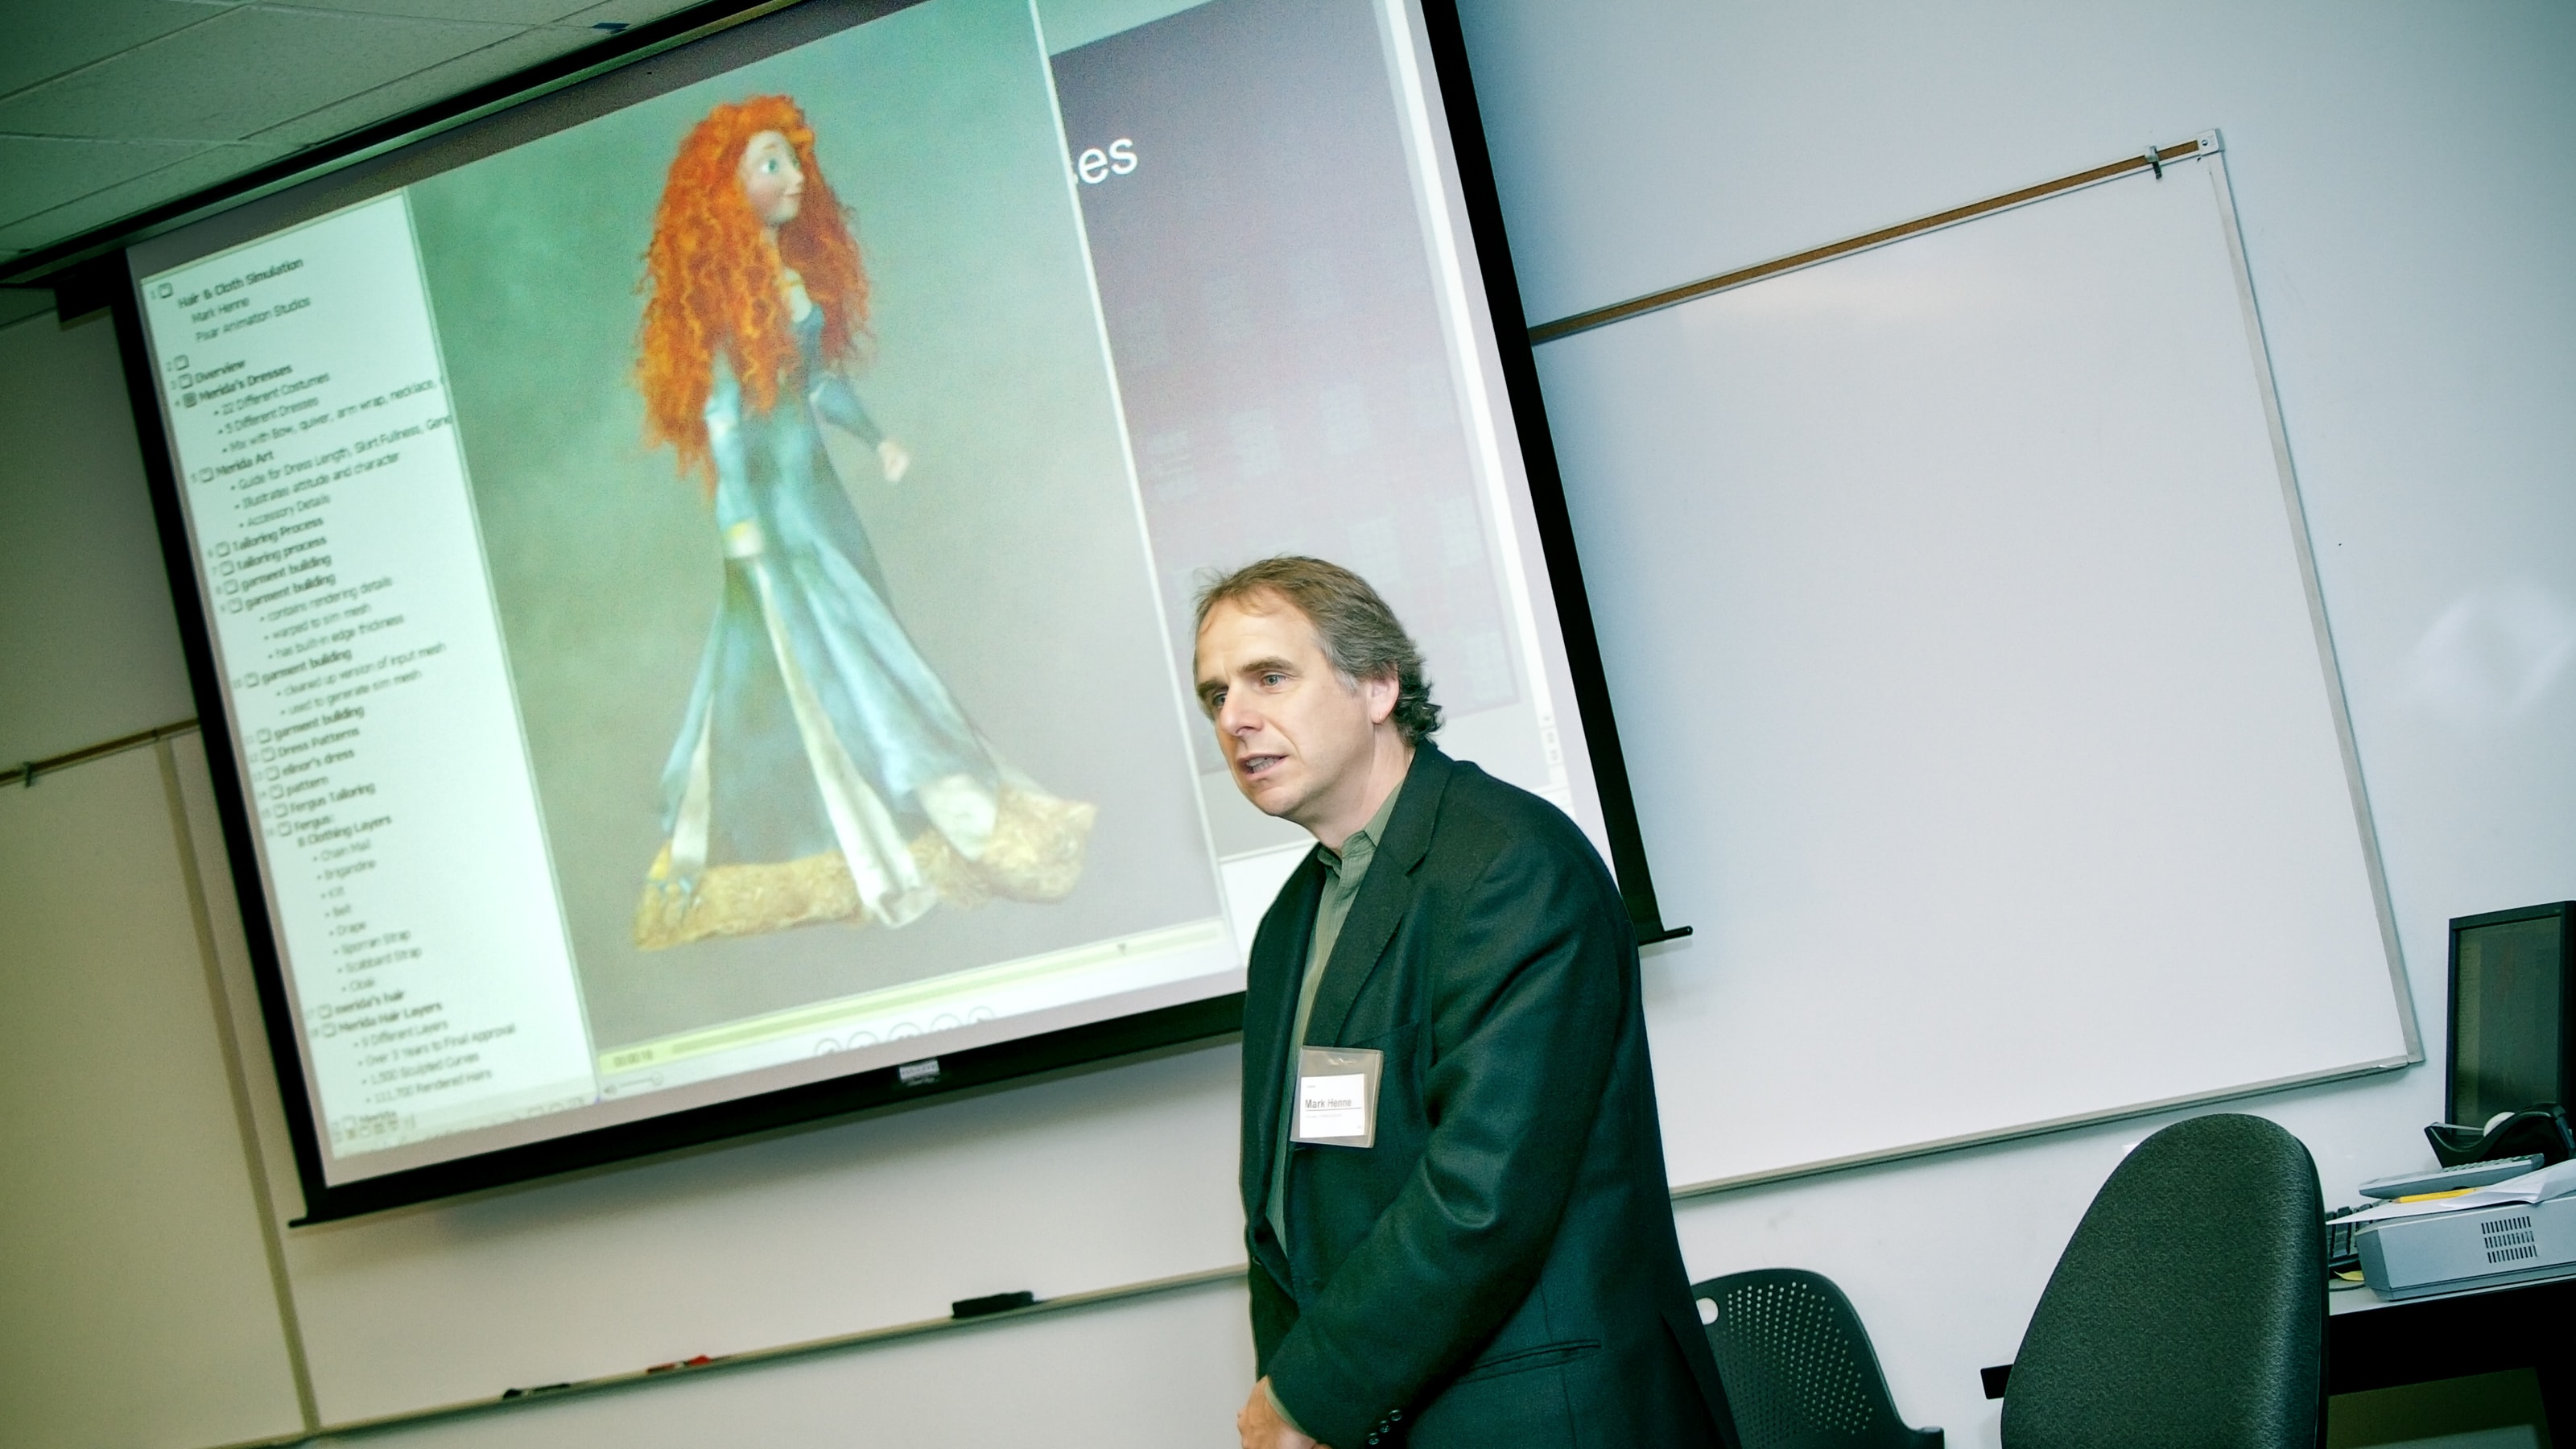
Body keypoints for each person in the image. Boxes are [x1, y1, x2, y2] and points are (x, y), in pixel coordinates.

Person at [1194, 557, 1734, 1449]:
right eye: (1215, 694)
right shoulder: (1293, 919)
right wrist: (1299, 1397)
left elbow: (1479, 1195)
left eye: (1270, 677)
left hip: (1540, 1415)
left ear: (1376, 685)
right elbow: (1302, 1197)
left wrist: (1307, 1393)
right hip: (1379, 1412)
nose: (1235, 719)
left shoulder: (1507, 863)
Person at [630, 95, 1092, 950]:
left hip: (821, 504)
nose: (794, 176)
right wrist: (740, 528)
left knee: (860, 649)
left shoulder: (793, 284)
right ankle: (858, 830)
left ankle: (887, 815)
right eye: (772, 163)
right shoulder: (725, 304)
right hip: (775, 521)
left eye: (795, 160)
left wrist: (876, 439)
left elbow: (815, 387)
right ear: (726, 189)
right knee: (827, 663)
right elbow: (725, 423)